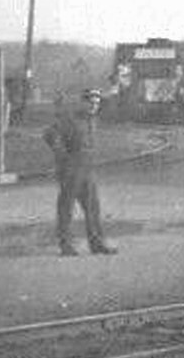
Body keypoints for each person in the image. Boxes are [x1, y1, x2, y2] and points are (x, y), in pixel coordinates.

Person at [43, 89, 117, 256]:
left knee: (93, 207)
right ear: (82, 102)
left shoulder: (92, 120)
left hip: (87, 169)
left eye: (97, 103)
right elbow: (49, 134)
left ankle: (97, 243)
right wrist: (62, 155)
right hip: (71, 169)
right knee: (66, 208)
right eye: (90, 102)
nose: (94, 106)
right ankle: (66, 245)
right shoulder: (70, 119)